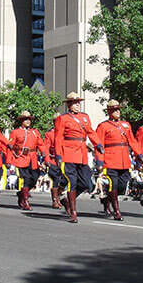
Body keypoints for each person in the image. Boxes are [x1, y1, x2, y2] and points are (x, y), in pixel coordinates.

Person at [55, 92, 104, 223]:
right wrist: (58, 155)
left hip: (81, 153)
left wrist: (98, 144)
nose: (77, 105)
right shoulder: (63, 118)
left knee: (84, 181)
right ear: (69, 105)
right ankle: (73, 212)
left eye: (78, 102)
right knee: (72, 181)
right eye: (74, 103)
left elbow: (91, 132)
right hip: (68, 153)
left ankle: (67, 200)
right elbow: (58, 137)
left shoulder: (85, 117)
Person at [95, 99, 142, 220]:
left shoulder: (125, 125)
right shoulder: (103, 126)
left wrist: (139, 154)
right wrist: (99, 161)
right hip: (110, 160)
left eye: (118, 109)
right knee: (113, 185)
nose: (117, 112)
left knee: (121, 186)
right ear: (109, 112)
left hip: (124, 160)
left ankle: (106, 200)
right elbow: (99, 145)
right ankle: (117, 211)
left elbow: (132, 141)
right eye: (114, 110)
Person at [7, 111, 46, 211]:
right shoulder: (15, 132)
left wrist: (44, 153)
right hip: (21, 157)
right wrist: (8, 160)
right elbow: (10, 147)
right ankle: (25, 201)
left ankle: (21, 193)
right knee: (27, 178)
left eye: (29, 119)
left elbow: (40, 144)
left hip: (32, 157)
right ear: (21, 121)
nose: (28, 121)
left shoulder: (35, 132)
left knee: (34, 178)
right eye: (25, 119)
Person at [43, 113, 64, 208]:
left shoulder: (65, 134)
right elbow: (46, 148)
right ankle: (55, 200)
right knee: (55, 179)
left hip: (64, 160)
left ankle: (58, 194)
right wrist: (47, 160)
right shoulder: (50, 134)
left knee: (65, 180)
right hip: (53, 160)